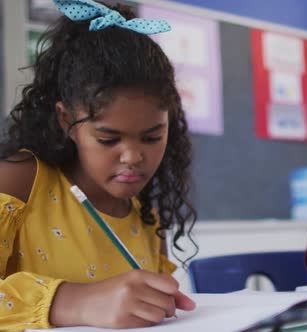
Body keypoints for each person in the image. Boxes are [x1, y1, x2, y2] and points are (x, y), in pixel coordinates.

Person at [0, 0, 198, 329]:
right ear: (66, 121)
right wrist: (70, 301)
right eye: (108, 139)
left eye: (152, 138)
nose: (133, 157)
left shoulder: (147, 215)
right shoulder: (18, 181)